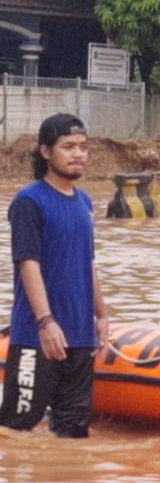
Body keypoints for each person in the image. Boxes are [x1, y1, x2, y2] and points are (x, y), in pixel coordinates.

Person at [1, 113, 110, 437]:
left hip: (79, 334)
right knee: (15, 429)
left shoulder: (84, 202)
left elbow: (86, 263)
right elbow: (28, 264)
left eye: (83, 147)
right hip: (38, 336)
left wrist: (102, 315)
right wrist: (46, 323)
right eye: (68, 147)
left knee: (73, 434)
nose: (78, 154)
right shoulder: (29, 201)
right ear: (46, 152)